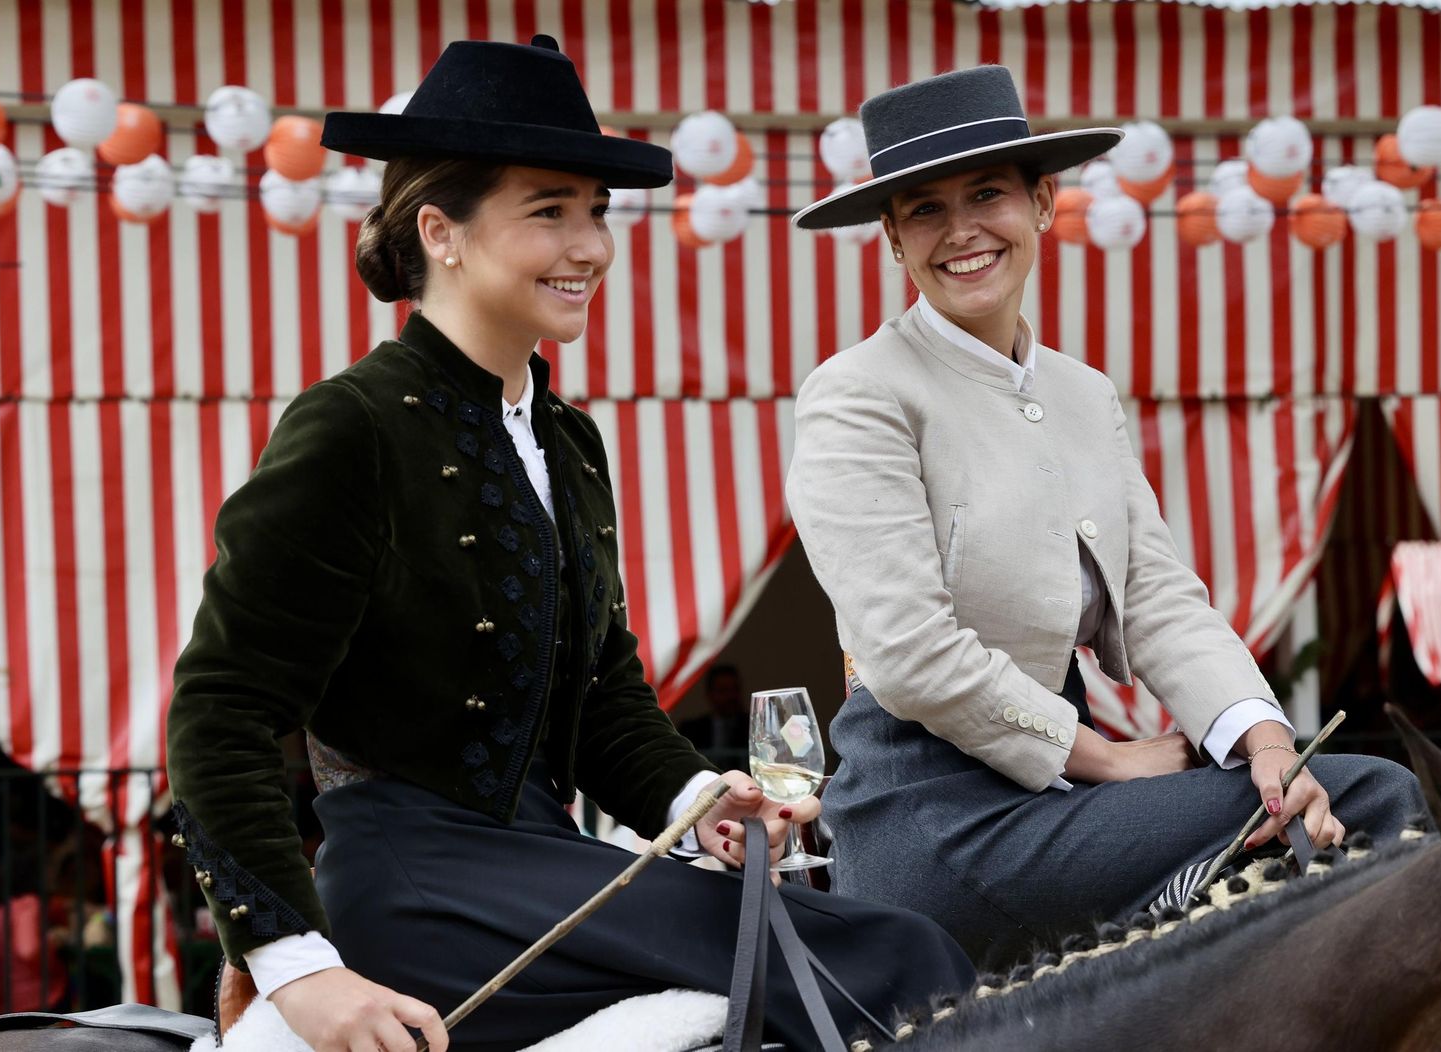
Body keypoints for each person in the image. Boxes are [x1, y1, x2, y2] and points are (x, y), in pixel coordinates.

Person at [165, 38, 974, 1052]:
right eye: (549, 210)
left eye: (596, 211)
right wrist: (300, 967)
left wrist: (697, 799)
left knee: (876, 944)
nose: (590, 244)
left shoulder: (566, 437)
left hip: (547, 866)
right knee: (893, 955)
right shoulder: (353, 427)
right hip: (415, 886)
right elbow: (220, 711)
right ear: (440, 231)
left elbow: (603, 695)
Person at [785, 66, 1425, 968]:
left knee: (1315, 798)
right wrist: (1109, 758)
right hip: (930, 813)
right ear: (892, 238)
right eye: (925, 209)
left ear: (1043, 202)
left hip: (1057, 801)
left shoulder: (1083, 394)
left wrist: (1267, 739)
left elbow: (1157, 593)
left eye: (987, 194)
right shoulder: (857, 393)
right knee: (1379, 795)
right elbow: (908, 653)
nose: (961, 229)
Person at [679, 664, 750, 754]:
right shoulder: (690, 730)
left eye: (735, 689)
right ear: (710, 694)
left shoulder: (751, 728)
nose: (731, 696)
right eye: (723, 690)